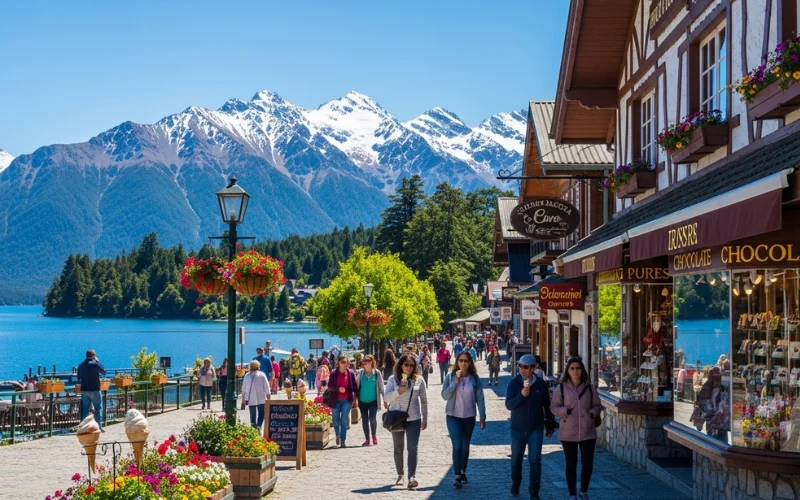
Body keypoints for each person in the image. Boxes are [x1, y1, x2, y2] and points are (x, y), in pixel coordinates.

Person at [551, 357, 602, 500]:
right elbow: (553, 407)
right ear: (568, 370)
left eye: (578, 368)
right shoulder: (561, 388)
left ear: (582, 370)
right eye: (572, 368)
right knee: (571, 464)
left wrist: (593, 413)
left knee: (587, 464)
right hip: (568, 432)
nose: (575, 371)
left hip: (587, 431)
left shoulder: (589, 388)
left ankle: (583, 491)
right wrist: (564, 411)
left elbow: (597, 406)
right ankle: (572, 494)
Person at [505, 354, 555, 499]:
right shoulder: (514, 383)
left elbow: (547, 406)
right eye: (520, 366)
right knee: (516, 460)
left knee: (535, 460)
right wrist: (521, 394)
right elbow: (509, 405)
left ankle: (534, 492)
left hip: (536, 428)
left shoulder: (540, 384)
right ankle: (516, 483)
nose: (522, 369)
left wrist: (550, 425)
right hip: (517, 428)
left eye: (526, 367)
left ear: (534, 368)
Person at [441, 351, 486, 489]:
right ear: (457, 362)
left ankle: (462, 470)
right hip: (453, 416)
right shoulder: (451, 376)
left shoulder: (475, 379)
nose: (463, 363)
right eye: (461, 360)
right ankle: (457, 476)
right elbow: (445, 395)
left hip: (469, 417)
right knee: (458, 446)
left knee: (465, 446)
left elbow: (480, 399)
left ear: (470, 363)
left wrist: (482, 416)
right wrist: (455, 383)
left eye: (466, 361)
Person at [384, 353, 428, 490]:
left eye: (411, 365)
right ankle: (400, 473)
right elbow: (386, 398)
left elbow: (424, 401)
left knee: (412, 448)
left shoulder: (419, 380)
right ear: (401, 365)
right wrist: (399, 391)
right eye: (406, 364)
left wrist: (425, 418)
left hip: (414, 418)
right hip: (397, 417)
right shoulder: (393, 379)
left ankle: (411, 477)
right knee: (398, 448)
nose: (409, 367)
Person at [326, 354, 358, 447]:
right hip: (335, 400)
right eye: (343, 362)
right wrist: (338, 389)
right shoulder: (333, 373)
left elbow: (355, 387)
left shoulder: (350, 373)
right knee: (335, 421)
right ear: (338, 363)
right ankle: (337, 435)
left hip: (346, 400)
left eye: (346, 362)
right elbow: (330, 386)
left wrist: (355, 399)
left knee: (344, 421)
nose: (345, 364)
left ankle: (343, 440)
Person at [355, 354, 385, 446]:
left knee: (372, 419)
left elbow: (381, 387)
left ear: (372, 362)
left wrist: (385, 400)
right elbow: (356, 387)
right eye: (364, 362)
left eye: (368, 361)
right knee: (364, 420)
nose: (366, 363)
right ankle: (367, 439)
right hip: (362, 401)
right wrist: (354, 399)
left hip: (373, 401)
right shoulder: (361, 373)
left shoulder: (377, 373)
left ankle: (374, 436)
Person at [77, 349, 106, 431]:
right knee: (97, 408)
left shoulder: (81, 365)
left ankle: (84, 427)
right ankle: (98, 427)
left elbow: (78, 377)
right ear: (93, 356)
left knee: (85, 409)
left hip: (84, 390)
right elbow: (103, 371)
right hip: (95, 389)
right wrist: (97, 362)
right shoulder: (94, 364)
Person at [241, 360, 270, 430]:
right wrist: (268, 396)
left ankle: (254, 429)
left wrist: (243, 400)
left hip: (250, 398)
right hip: (260, 398)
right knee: (261, 413)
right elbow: (266, 386)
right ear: (258, 366)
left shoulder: (247, 376)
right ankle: (259, 426)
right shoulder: (261, 375)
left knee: (252, 416)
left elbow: (243, 389)